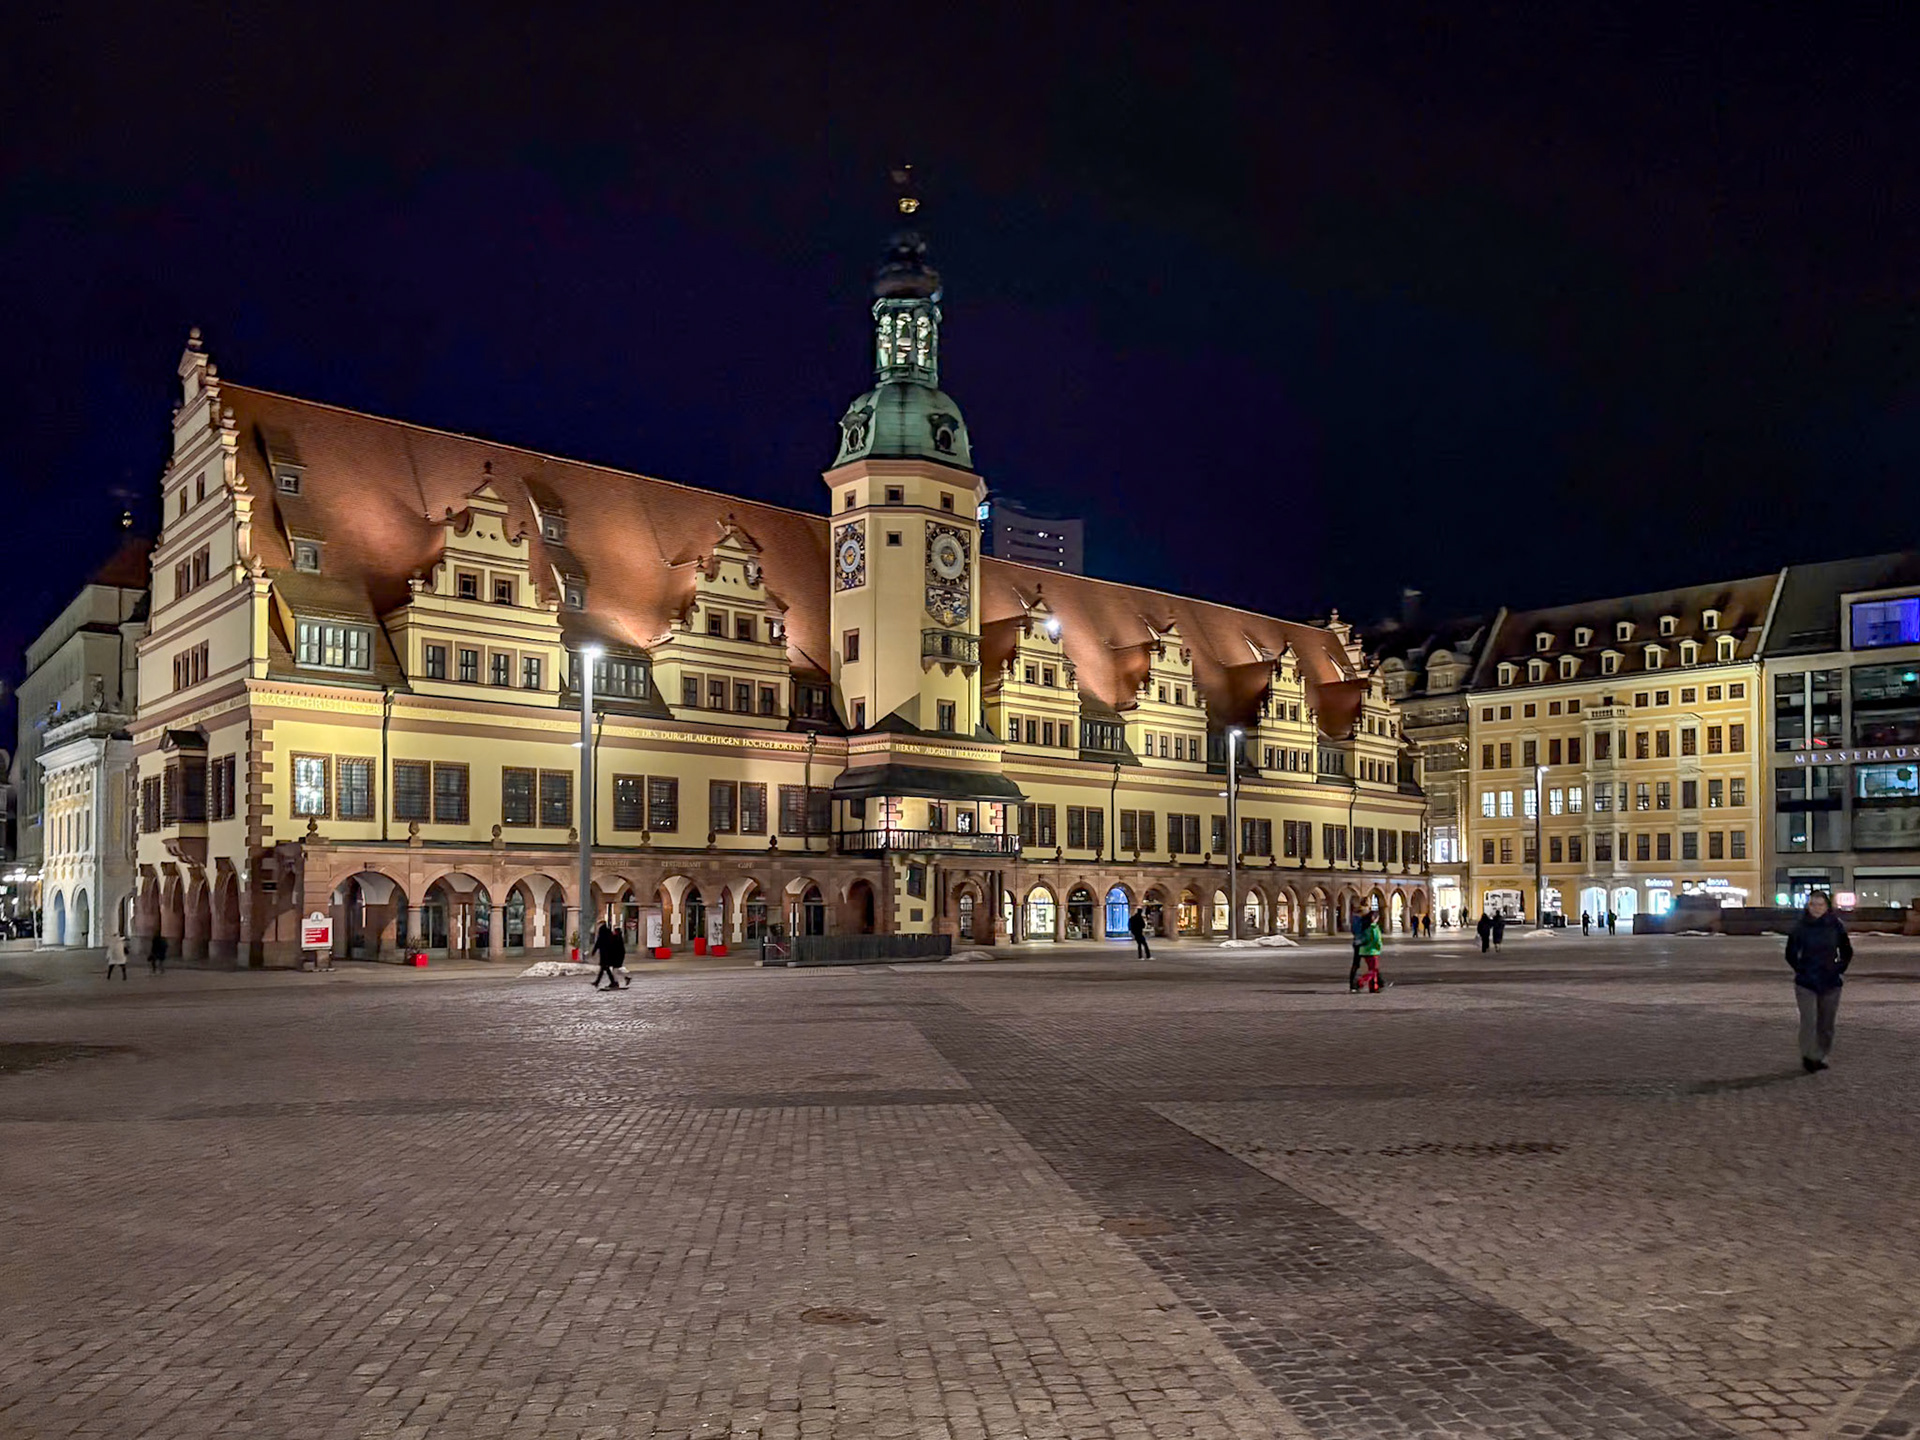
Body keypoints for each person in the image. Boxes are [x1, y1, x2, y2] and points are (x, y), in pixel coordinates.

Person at [1785, 890, 1852, 1072]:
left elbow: (1846, 951)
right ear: (1808, 906)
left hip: (1830, 982)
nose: (1816, 908)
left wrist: (1839, 968)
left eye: (1820, 904)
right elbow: (1790, 952)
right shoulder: (1800, 927)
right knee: (1809, 1021)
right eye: (1813, 904)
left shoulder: (1836, 926)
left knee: (1826, 1023)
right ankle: (1808, 1055)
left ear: (1827, 906)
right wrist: (1801, 968)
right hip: (1806, 982)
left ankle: (1821, 1055)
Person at [590, 922, 628, 991]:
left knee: (608, 969)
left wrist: (594, 952)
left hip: (606, 956)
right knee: (606, 969)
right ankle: (610, 982)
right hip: (609, 956)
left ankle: (613, 982)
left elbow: (598, 944)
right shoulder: (610, 935)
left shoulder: (604, 935)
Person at [1356, 913, 1385, 992]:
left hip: (1365, 951)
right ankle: (1361, 981)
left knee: (1372, 969)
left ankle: (1373, 987)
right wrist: (1379, 947)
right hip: (1373, 951)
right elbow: (1377, 940)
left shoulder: (1365, 927)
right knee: (1374, 970)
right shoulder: (1374, 928)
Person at [1348, 909, 1370, 991]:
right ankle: (1354, 984)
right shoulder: (1360, 919)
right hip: (1361, 943)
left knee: (1358, 964)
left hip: (1358, 943)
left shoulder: (1356, 919)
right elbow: (1357, 931)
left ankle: (1353, 984)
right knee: (1370, 964)